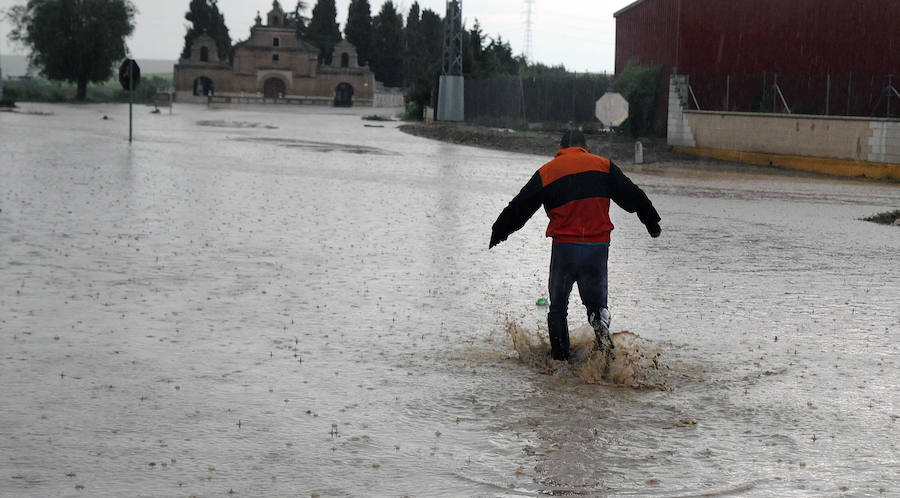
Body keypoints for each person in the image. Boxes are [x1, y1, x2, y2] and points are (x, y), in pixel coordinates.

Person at [489, 130, 661, 362]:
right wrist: (652, 223)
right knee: (596, 306)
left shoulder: (548, 172)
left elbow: (519, 207)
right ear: (585, 147)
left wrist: (498, 233)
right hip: (597, 248)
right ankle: (605, 350)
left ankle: (560, 362)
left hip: (565, 249)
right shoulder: (603, 166)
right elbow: (634, 195)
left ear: (560, 148)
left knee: (558, 308)